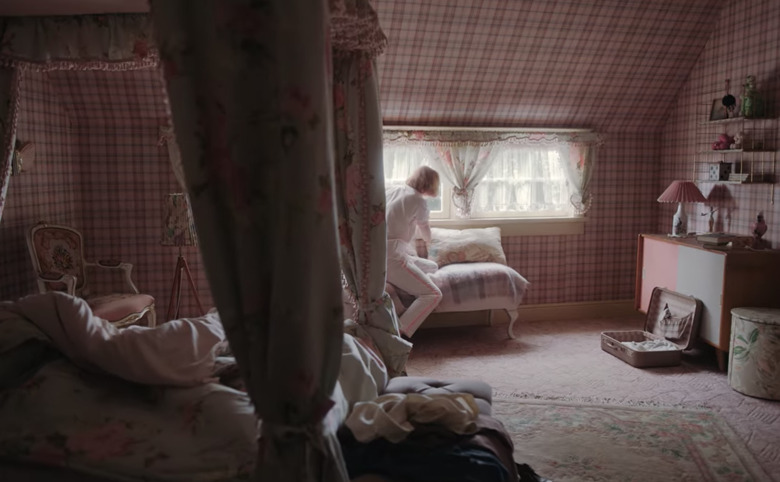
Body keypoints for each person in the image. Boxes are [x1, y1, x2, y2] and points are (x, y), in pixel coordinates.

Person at [385, 166, 443, 338]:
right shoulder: (418, 201)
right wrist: (430, 243)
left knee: (431, 266)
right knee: (433, 294)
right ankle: (399, 333)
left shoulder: (395, 190)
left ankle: (393, 285)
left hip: (388, 252)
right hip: (392, 256)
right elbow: (424, 228)